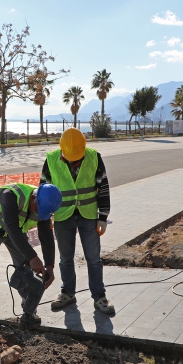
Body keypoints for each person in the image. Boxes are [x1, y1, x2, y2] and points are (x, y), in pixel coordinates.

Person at [0, 183, 62, 323]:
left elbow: (46, 236)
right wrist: (33, 257)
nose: (39, 214)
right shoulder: (10, 195)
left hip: (16, 233)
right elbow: (11, 227)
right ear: (34, 197)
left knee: (27, 272)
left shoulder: (44, 205)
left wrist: (50, 266)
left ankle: (29, 309)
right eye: (38, 209)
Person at [42, 128, 114, 315]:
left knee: (94, 259)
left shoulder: (94, 157)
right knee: (65, 259)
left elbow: (103, 187)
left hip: (88, 215)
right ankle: (68, 292)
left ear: (84, 147)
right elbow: (43, 192)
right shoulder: (51, 160)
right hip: (62, 216)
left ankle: (99, 295)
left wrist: (103, 217)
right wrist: (46, 216)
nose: (74, 159)